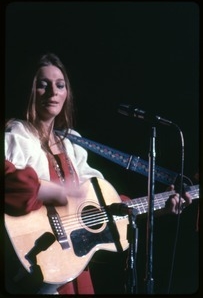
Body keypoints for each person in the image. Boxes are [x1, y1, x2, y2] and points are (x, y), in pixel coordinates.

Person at [4, 52, 192, 295]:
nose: (53, 92)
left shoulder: (71, 144)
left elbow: (105, 205)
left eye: (60, 85)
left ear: (67, 93)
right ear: (31, 91)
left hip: (72, 262)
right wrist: (52, 191)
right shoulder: (18, 136)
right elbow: (8, 183)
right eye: (43, 85)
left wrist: (161, 207)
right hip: (39, 260)